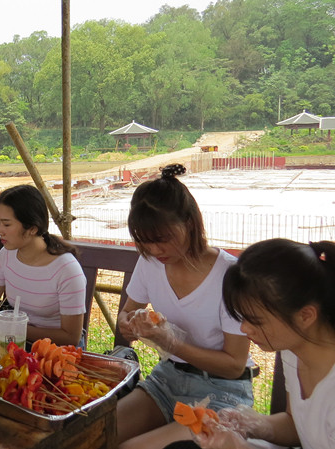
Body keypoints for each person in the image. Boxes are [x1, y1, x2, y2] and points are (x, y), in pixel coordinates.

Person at [116, 164, 254, 449]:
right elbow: (127, 312)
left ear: (190, 223)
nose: (154, 250)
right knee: (99, 434)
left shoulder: (229, 274)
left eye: (162, 239)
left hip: (223, 391)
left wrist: (171, 342)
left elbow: (234, 365)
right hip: (167, 380)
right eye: (144, 242)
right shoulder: (149, 263)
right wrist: (129, 324)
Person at [165, 238, 335, 449]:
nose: (244, 329)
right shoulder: (295, 350)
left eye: (255, 320)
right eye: (242, 317)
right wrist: (253, 424)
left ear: (306, 316)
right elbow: (295, 427)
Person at [0, 184, 86, 347]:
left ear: (32, 228)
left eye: (6, 224)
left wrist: (16, 327)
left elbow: (71, 337)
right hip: (18, 343)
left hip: (56, 352)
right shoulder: (7, 255)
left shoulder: (66, 269)